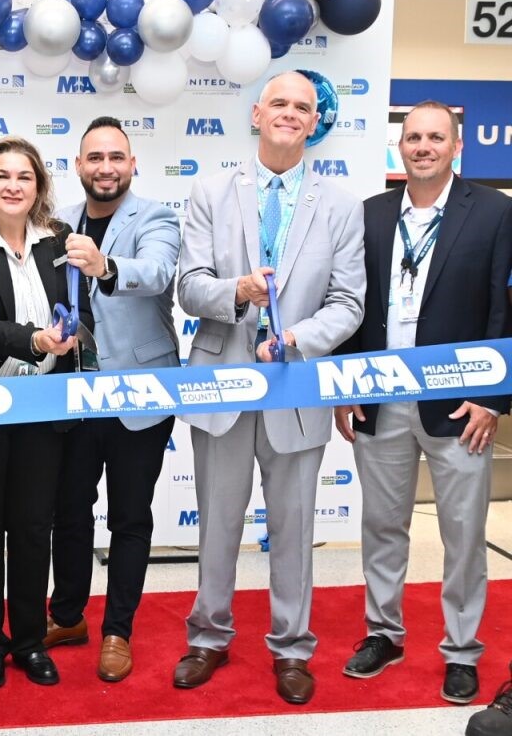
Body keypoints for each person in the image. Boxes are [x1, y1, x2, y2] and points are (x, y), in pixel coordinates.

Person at [174, 71, 366, 704]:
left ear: (315, 122)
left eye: (303, 108)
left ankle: (291, 647)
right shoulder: (209, 189)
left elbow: (348, 303)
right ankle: (208, 636)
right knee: (219, 524)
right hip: (221, 382)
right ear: (256, 114)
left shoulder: (340, 205)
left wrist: (299, 340)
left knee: (292, 526)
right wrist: (239, 292)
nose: (289, 114)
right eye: (278, 103)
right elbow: (190, 285)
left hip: (296, 386)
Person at [333, 102, 512, 705]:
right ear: (400, 146)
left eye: (437, 137)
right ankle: (384, 633)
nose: (424, 146)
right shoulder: (372, 215)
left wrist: (493, 397)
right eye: (413, 137)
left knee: (463, 534)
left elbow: (503, 309)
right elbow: (352, 308)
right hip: (381, 399)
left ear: (456, 146)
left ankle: (461, 651)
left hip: (459, 406)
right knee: (383, 525)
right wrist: (347, 387)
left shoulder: (494, 212)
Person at [49, 116, 182, 682]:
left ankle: (117, 631)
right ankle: (69, 615)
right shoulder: (56, 226)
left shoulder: (156, 217)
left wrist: (106, 266)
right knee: (69, 513)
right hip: (76, 393)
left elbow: (156, 272)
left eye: (116, 157)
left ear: (132, 165)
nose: (106, 167)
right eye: (94, 158)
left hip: (141, 393)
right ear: (78, 167)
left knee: (130, 518)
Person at [0, 137, 82, 690]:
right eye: (2, 175)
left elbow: (77, 312)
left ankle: (29, 641)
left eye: (24, 177)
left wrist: (70, 337)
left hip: (43, 409)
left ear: (39, 187)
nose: (12, 186)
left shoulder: (57, 244)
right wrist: (35, 340)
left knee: (33, 529)